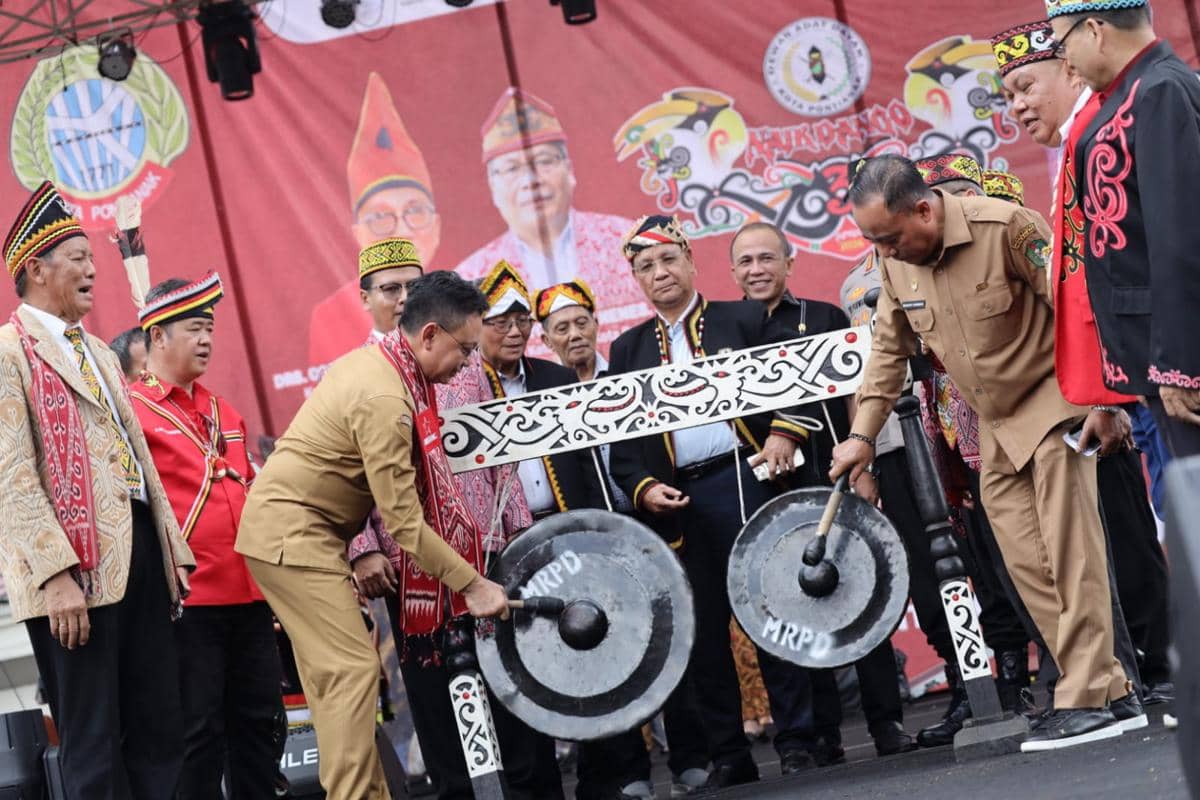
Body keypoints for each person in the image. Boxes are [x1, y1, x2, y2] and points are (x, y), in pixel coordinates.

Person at [831, 155, 1140, 751]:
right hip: (994, 429)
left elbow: (1081, 311)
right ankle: (1112, 690)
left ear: (924, 208)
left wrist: (1105, 397)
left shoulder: (1008, 228)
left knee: (1071, 554)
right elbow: (888, 357)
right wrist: (862, 438)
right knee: (1029, 567)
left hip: (1055, 407)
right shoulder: (896, 269)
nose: (885, 253)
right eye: (874, 243)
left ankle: (1088, 693)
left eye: (890, 238)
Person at [235, 271, 511, 800]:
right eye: (464, 350)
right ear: (429, 334)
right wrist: (473, 584)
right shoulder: (385, 397)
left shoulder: (388, 368)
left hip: (298, 533)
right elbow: (405, 525)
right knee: (352, 671)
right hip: (292, 535)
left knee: (333, 680)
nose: (467, 365)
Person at [992, 17, 1173, 703]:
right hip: (1132, 380)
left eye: (1025, 85)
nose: (1017, 106)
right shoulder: (1075, 146)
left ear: (1071, 67)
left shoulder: (1119, 122)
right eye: (1007, 96)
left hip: (1165, 366)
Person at [0, 180, 195, 797]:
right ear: (37, 269)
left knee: (160, 727)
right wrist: (53, 573)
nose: (93, 270)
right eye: (79, 258)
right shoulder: (9, 352)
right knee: (92, 739)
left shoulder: (103, 356)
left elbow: (136, 463)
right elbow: (10, 475)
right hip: (73, 572)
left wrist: (169, 550)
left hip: (135, 553)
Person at [608, 215, 815, 790]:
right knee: (701, 633)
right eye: (646, 266)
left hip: (743, 480)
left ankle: (797, 740)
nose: (660, 273)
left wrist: (784, 432)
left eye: (668, 259)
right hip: (676, 503)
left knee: (770, 611)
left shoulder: (741, 317)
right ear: (636, 279)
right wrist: (644, 488)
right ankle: (729, 753)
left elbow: (794, 384)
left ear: (691, 262)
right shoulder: (626, 350)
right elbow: (621, 448)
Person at [729, 221, 918, 761]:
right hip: (772, 495)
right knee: (791, 610)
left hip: (834, 475)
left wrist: (864, 466)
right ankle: (821, 735)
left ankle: (887, 723)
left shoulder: (826, 317)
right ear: (733, 273)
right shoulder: (727, 331)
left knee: (864, 596)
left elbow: (857, 396)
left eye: (768, 258)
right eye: (746, 262)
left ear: (790, 263)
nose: (757, 269)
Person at [129, 273, 283, 798]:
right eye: (194, 328)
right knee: (197, 734)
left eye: (211, 329)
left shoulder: (224, 411)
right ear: (157, 337)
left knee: (262, 725)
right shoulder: (131, 412)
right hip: (186, 601)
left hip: (250, 593)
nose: (206, 340)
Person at [1047, 0, 1200, 456]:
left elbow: (1180, 237)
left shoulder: (1160, 91)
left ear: (1093, 29)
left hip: (1180, 362)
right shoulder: (1134, 94)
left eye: (1062, 43)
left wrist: (1180, 367)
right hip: (1155, 360)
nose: (1065, 60)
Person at [455, 88, 651, 357]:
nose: (531, 180)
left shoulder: (626, 242)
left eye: (544, 162)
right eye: (512, 168)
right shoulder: (471, 275)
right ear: (492, 186)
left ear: (569, 170)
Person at [309, 73, 442, 369]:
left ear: (436, 226)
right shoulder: (350, 374)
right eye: (381, 217)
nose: (402, 229)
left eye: (415, 212)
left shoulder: (457, 360)